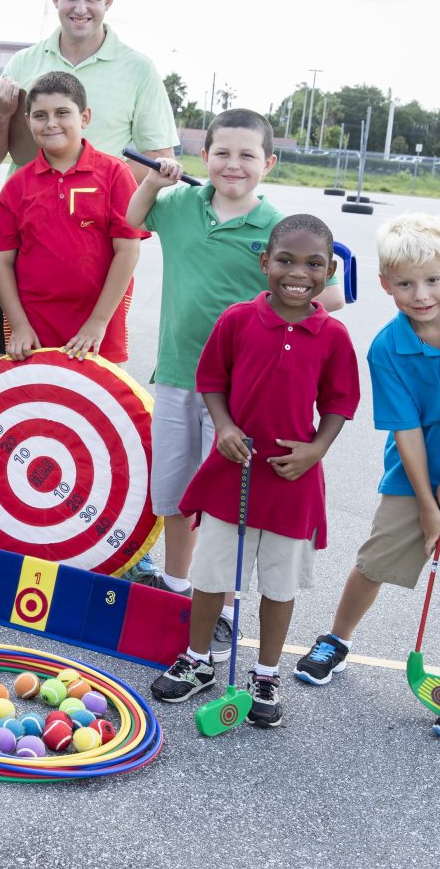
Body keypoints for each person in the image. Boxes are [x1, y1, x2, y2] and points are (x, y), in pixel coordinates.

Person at [125, 109, 344, 656]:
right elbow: (133, 219)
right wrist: (154, 179)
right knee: (174, 494)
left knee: (225, 506)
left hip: (237, 394)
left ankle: (221, 610)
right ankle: (179, 589)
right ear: (206, 157)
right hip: (177, 373)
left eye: (247, 155)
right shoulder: (179, 205)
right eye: (222, 153)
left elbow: (326, 297)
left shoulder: (278, 229)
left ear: (267, 164)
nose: (233, 164)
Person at [295, 213, 440, 745]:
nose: (420, 294)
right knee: (374, 561)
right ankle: (337, 639)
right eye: (404, 283)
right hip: (412, 472)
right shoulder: (385, 348)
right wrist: (426, 500)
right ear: (384, 285)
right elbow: (408, 431)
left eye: (433, 280)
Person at [148, 215, 360, 729]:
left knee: (279, 585)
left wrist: (316, 450)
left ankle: (265, 674)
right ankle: (199, 660)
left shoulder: (332, 335)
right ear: (265, 263)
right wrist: (222, 426)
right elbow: (211, 380)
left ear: (329, 271)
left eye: (313, 265)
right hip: (232, 473)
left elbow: (339, 402)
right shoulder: (237, 320)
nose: (298, 273)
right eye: (285, 260)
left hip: (292, 480)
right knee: (212, 576)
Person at [0, 0, 178, 373]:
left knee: (90, 358)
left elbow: (160, 160)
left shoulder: (139, 69)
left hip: (95, 233)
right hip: (24, 219)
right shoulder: (24, 62)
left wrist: (90, 180)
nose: (80, 8)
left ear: (109, 1)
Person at [0, 71, 143, 364]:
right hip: (33, 330)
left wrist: (98, 321)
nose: (51, 123)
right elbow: (0, 259)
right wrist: (19, 325)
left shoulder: (114, 174)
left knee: (98, 406)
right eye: (40, 115)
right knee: (35, 405)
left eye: (62, 113)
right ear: (27, 121)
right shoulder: (17, 186)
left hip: (98, 330)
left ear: (84, 117)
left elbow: (128, 251)